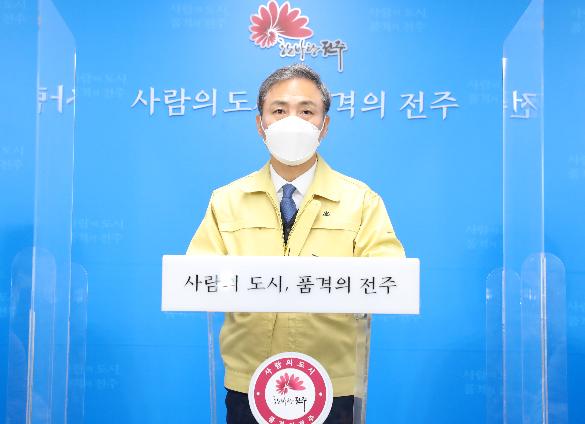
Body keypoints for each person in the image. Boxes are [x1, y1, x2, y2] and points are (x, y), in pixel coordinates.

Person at [187, 63, 405, 424]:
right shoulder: (226, 200)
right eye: (279, 111)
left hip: (332, 384)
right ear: (260, 124)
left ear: (324, 125)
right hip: (248, 382)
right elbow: (196, 280)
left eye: (306, 111)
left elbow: (391, 280)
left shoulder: (361, 201)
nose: (293, 122)